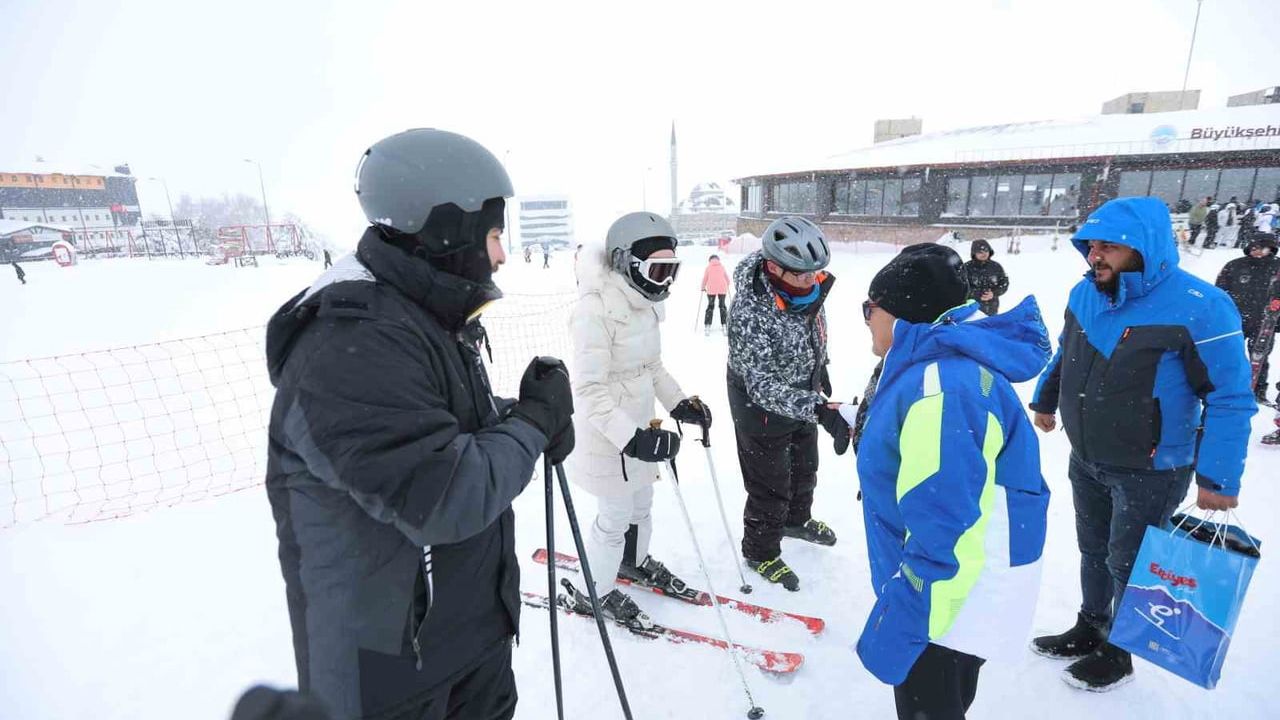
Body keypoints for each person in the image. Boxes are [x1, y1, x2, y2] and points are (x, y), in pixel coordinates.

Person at [263, 129, 575, 720]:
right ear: (444, 230)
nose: (502, 254)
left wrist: (522, 415)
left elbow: (439, 431)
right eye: (493, 235)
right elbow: (442, 496)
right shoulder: (351, 340)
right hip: (387, 670)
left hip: (465, 636)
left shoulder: (424, 316)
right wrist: (532, 425)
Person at [1029, 197, 1255, 692]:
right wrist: (1046, 400)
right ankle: (1091, 625)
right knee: (1092, 550)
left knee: (1131, 562)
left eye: (1110, 246)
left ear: (1145, 247)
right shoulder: (1085, 294)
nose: (1095, 256)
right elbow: (1067, 354)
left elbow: (1230, 398)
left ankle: (1120, 649)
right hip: (1087, 455)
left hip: (1153, 466)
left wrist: (1218, 477)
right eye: (1091, 245)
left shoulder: (1203, 306)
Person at [852, 243, 1051, 720]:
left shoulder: (942, 387)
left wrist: (911, 607)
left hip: (948, 597)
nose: (865, 319)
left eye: (869, 308)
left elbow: (948, 519)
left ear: (901, 314)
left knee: (934, 705)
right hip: (956, 589)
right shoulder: (939, 366)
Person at [566, 211, 710, 626]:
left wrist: (680, 404)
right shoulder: (594, 312)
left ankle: (633, 560)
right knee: (613, 518)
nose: (665, 281)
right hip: (606, 438)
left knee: (642, 506)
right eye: (658, 269)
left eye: (672, 271)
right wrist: (630, 438)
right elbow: (588, 390)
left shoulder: (643, 305)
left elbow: (652, 368)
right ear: (626, 262)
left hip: (640, 429)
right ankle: (595, 591)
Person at [727, 216, 847, 591]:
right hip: (758, 405)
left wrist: (819, 370)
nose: (811, 280)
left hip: (802, 394)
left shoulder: (808, 289)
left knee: (804, 466)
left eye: (815, 272)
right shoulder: (751, 310)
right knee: (770, 483)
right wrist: (818, 409)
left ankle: (796, 520)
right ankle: (760, 551)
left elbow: (814, 331)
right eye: (801, 274)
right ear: (774, 267)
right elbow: (760, 385)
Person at [1216, 234, 1280, 403]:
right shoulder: (1235, 266)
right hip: (1235, 319)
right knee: (1230, 353)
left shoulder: (1277, 267)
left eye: (1260, 248)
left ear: (1270, 248)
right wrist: (1220, 314)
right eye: (1253, 248)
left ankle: (1257, 391)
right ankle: (1225, 386)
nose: (1256, 251)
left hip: (1265, 321)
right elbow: (1219, 292)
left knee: (1260, 357)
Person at [960, 239, 1009, 315]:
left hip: (992, 307)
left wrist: (993, 293)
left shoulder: (996, 266)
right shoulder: (966, 268)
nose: (984, 254)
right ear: (974, 253)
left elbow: (1004, 283)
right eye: (980, 252)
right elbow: (961, 287)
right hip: (972, 307)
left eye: (986, 251)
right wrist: (976, 295)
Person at [701, 253, 731, 334]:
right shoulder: (722, 267)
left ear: (710, 260)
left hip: (711, 290)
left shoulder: (708, 268)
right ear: (718, 260)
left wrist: (703, 287)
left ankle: (707, 325)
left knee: (710, 306)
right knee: (722, 306)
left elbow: (705, 279)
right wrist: (726, 285)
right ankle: (724, 324)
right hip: (722, 289)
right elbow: (727, 279)